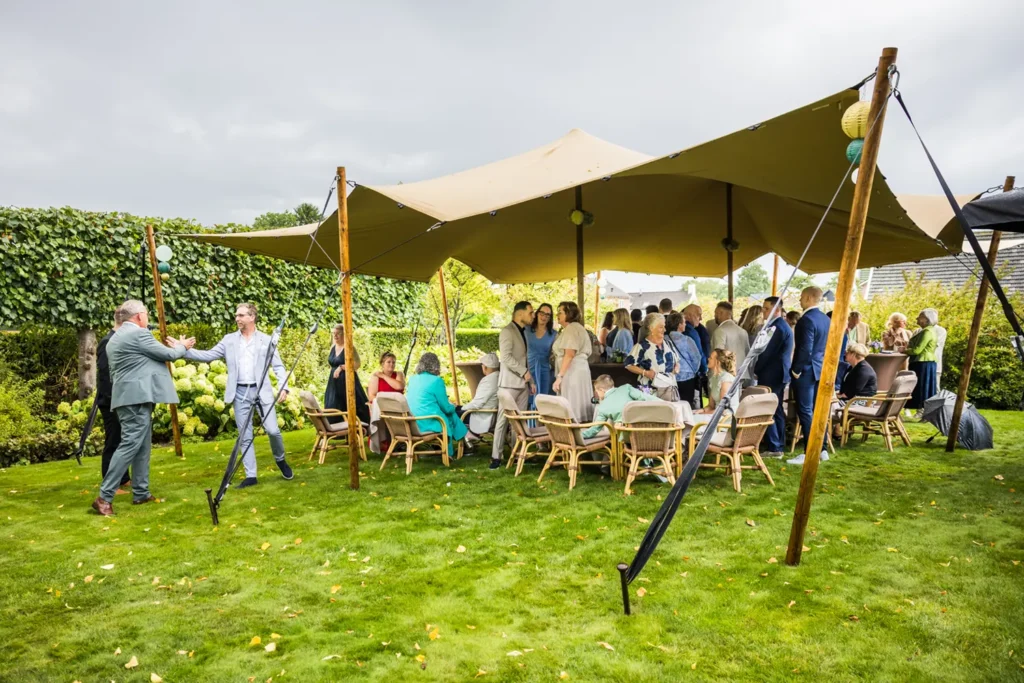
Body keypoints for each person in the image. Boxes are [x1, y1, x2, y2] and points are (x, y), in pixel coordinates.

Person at [91, 300, 191, 516]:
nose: (147, 317)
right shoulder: (138, 334)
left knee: (142, 446)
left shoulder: (114, 338)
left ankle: (141, 493)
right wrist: (182, 346)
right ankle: (104, 497)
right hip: (135, 400)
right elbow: (169, 355)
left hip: (129, 398)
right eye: (146, 313)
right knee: (129, 445)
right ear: (138, 316)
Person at [185, 302, 294, 489]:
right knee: (245, 434)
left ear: (252, 317)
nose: (237, 319)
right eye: (236, 316)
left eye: (241, 315)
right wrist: (184, 350)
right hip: (240, 392)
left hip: (262, 391)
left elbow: (278, 366)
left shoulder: (267, 340)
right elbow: (209, 355)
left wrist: (284, 387)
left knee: (273, 430)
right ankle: (251, 475)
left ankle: (280, 459)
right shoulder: (229, 340)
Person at [787, 287, 830, 466]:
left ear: (810, 298)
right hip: (820, 369)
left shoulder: (806, 319)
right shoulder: (826, 319)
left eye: (802, 296)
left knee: (805, 411)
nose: (800, 300)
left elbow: (805, 348)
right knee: (818, 410)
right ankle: (823, 449)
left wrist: (796, 370)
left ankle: (809, 452)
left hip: (806, 371)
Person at [491, 301, 535, 469]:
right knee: (503, 420)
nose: (533, 316)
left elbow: (524, 358)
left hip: (523, 384)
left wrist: (530, 380)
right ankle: (496, 456)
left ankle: (518, 454)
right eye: (530, 312)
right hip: (509, 383)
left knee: (520, 421)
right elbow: (506, 358)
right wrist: (524, 372)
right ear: (520, 314)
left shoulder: (524, 332)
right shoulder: (507, 331)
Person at [96, 305, 130, 493]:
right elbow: (105, 375)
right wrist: (113, 400)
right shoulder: (108, 342)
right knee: (113, 441)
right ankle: (111, 483)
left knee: (123, 439)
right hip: (110, 402)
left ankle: (124, 478)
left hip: (119, 399)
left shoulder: (118, 340)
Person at [753, 296, 793, 458]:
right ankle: (778, 444)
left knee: (768, 407)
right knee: (776, 409)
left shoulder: (777, 328)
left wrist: (756, 368)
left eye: (766, 308)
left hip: (772, 373)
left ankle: (775, 446)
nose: (763, 311)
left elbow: (767, 353)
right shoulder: (780, 325)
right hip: (777, 373)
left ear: (777, 310)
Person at [406, 352, 467, 454]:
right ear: (436, 365)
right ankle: (464, 441)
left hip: (413, 421)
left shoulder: (412, 379)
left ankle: (465, 439)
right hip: (431, 422)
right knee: (450, 414)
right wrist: (454, 406)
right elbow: (446, 407)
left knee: (448, 414)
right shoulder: (436, 381)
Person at [552, 301, 595, 421]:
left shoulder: (571, 329)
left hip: (572, 372)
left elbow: (569, 354)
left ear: (569, 313)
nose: (557, 314)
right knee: (577, 404)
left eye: (560, 312)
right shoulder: (575, 328)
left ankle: (573, 434)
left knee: (572, 404)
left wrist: (560, 377)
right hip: (577, 370)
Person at [582, 375, 660, 439]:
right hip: (648, 430)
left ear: (602, 390)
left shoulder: (602, 407)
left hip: (627, 438)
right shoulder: (626, 388)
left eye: (596, 391)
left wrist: (579, 435)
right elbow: (645, 398)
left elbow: (594, 430)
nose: (597, 394)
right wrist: (667, 404)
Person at [625, 312, 680, 401]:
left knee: (669, 412)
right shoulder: (642, 346)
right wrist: (645, 373)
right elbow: (628, 365)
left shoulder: (668, 343)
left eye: (664, 326)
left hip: (669, 389)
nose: (664, 330)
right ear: (651, 328)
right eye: (661, 327)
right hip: (650, 390)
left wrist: (677, 367)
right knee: (651, 413)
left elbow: (677, 360)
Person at [324, 323, 370, 427]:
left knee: (351, 405)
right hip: (334, 384)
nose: (335, 336)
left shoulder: (349, 347)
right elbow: (331, 363)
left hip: (347, 382)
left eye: (338, 334)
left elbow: (356, 364)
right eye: (334, 334)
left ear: (344, 334)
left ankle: (356, 430)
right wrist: (335, 370)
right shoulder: (333, 347)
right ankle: (336, 431)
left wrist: (341, 367)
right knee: (333, 405)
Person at [367, 351, 404, 454]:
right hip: (381, 407)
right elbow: (371, 395)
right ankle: (383, 441)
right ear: (382, 364)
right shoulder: (376, 377)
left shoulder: (399, 374)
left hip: (397, 407)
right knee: (379, 413)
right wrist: (383, 403)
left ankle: (399, 441)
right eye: (388, 362)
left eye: (393, 362)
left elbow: (399, 386)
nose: (391, 364)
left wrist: (384, 376)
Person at [458, 352, 500, 439]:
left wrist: (462, 408)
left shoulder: (488, 381)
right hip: (488, 414)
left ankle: (467, 440)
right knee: (456, 409)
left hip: (481, 417)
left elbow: (477, 404)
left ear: (485, 367)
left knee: (451, 414)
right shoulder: (499, 377)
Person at [666, 311, 702, 408]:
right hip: (687, 377)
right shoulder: (687, 340)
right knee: (686, 405)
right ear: (679, 325)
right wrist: (693, 371)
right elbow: (697, 358)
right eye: (684, 322)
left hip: (670, 377)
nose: (685, 324)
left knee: (672, 406)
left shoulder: (664, 340)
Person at [906, 309, 939, 410]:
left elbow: (917, 350)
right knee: (925, 387)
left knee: (922, 388)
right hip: (925, 362)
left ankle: (922, 409)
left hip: (923, 362)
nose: (917, 319)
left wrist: (904, 350)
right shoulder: (928, 330)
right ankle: (923, 409)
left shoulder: (927, 332)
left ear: (927, 319)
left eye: (920, 317)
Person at [526, 302, 556, 408]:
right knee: (526, 399)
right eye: (542, 313)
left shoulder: (553, 334)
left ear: (550, 318)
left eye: (547, 315)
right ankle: (528, 424)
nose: (544, 317)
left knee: (542, 400)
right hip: (528, 367)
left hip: (544, 369)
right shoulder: (526, 329)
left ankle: (540, 424)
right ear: (537, 313)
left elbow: (554, 354)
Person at [711, 301, 750, 376]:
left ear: (720, 313)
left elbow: (719, 355)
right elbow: (748, 352)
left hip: (726, 376)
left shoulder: (720, 331)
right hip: (741, 374)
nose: (714, 316)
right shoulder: (743, 331)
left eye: (715, 313)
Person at [698, 349, 736, 413]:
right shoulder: (714, 378)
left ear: (717, 362)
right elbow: (711, 406)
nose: (708, 359)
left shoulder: (726, 379)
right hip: (715, 414)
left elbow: (723, 410)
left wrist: (704, 413)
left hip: (726, 418)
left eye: (711, 358)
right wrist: (702, 410)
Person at [924, 308, 947, 386]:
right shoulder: (918, 331)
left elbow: (932, 346)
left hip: (934, 365)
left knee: (935, 388)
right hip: (919, 365)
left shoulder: (940, 331)